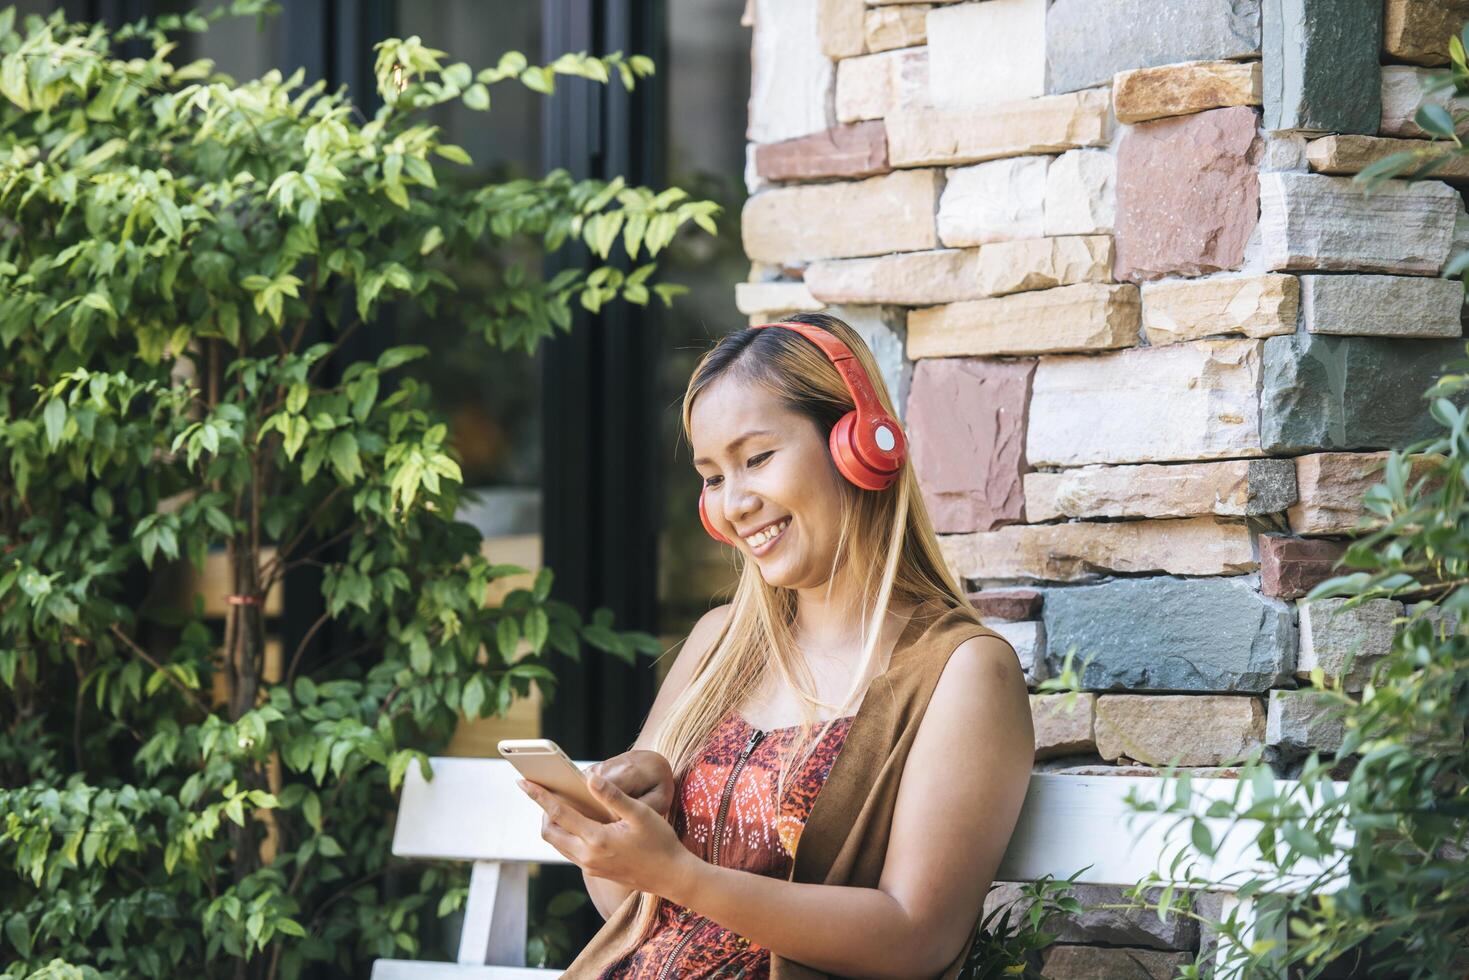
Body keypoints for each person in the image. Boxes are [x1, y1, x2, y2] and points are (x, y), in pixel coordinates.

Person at [517, 313, 1034, 979]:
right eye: (711, 476)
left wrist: (681, 874)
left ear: (858, 444)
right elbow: (631, 909)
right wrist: (618, 843)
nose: (733, 504)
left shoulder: (960, 671)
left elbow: (917, 938)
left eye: (756, 459)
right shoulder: (716, 645)